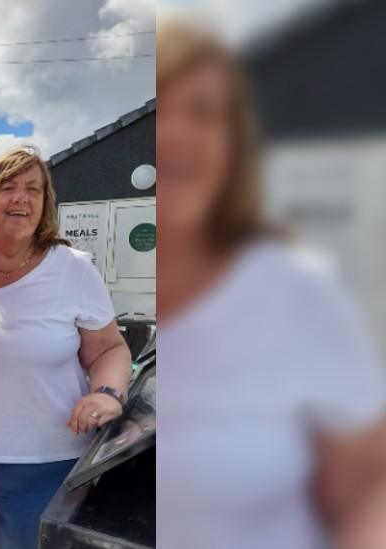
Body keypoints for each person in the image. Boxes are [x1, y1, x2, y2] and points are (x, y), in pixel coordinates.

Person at [157, 20, 386, 549]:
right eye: (161, 104)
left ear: (234, 146)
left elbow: (368, 490)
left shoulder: (299, 292)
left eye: (203, 112)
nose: (175, 131)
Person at [0, 146, 132, 549]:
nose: (21, 197)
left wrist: (106, 393)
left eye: (34, 189)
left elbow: (109, 349)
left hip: (47, 463)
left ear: (45, 204)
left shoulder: (73, 268)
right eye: (8, 186)